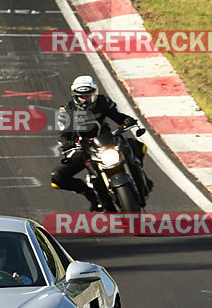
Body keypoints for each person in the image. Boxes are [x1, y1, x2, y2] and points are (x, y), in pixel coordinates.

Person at [51, 74, 152, 209]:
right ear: (75, 96)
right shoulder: (67, 111)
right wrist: (66, 143)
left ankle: (142, 180)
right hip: (83, 148)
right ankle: (92, 196)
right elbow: (63, 134)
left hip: (107, 141)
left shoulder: (103, 101)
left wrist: (127, 121)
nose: (85, 100)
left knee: (137, 146)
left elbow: (118, 116)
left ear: (95, 94)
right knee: (58, 177)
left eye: (88, 96)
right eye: (81, 96)